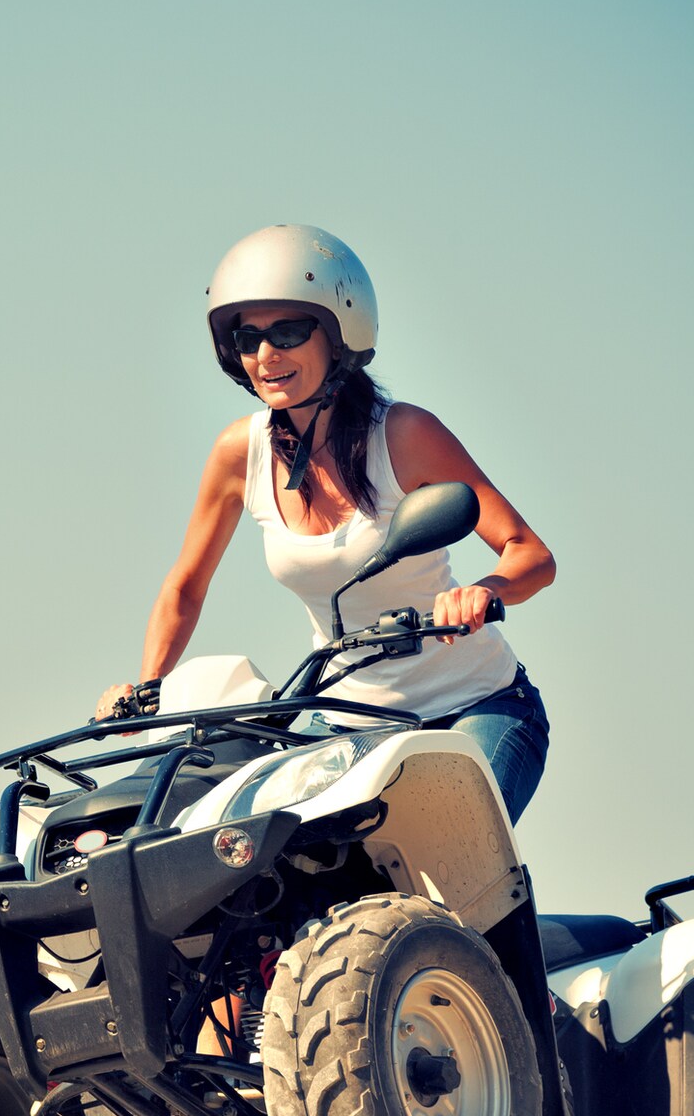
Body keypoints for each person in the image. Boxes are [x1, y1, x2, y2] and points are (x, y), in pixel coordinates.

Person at [95, 224, 556, 823]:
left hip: (476, 706)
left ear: (340, 335)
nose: (266, 356)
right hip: (347, 726)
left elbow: (530, 554)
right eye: (248, 337)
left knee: (455, 852)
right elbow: (186, 585)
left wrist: (483, 592)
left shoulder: (405, 435)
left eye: (287, 332)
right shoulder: (242, 453)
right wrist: (145, 689)